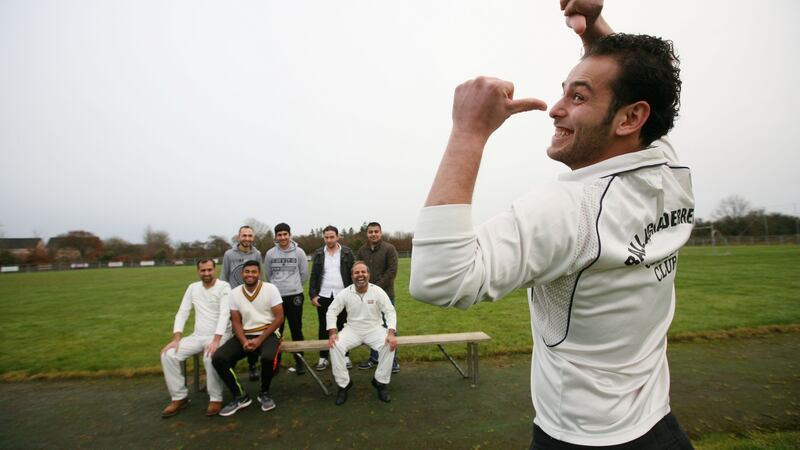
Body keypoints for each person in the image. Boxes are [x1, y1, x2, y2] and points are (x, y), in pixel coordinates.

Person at [409, 1, 694, 448]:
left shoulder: (570, 209)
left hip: (579, 438)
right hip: (659, 426)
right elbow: (638, 93)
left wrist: (468, 129)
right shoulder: (671, 173)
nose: (555, 108)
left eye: (577, 96)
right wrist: (594, 28)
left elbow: (439, 280)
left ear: (630, 118)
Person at [211, 260, 284, 417]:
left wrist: (259, 340)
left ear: (259, 273)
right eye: (247, 272)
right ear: (242, 273)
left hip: (269, 332)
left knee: (268, 357)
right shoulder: (235, 292)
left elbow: (279, 318)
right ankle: (240, 396)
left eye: (253, 272)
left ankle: (264, 392)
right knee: (218, 357)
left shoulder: (270, 289)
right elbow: (236, 321)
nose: (250, 274)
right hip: (245, 334)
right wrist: (244, 341)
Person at [160, 259, 231, 417]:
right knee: (168, 354)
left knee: (209, 357)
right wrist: (176, 338)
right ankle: (179, 397)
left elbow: (225, 314)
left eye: (209, 270)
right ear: (198, 271)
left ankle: (215, 398)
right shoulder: (193, 288)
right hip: (197, 336)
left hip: (220, 336)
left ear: (215, 270)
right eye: (203, 270)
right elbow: (183, 312)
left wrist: (216, 341)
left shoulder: (224, 287)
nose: (206, 273)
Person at [327, 261, 397, 405]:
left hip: (375, 328)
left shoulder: (377, 291)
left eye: (363, 272)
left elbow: (390, 311)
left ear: (368, 274)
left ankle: (380, 382)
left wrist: (390, 333)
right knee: (335, 346)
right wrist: (333, 332)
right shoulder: (346, 293)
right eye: (356, 273)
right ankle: (344, 385)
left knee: (389, 345)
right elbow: (332, 311)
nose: (360, 275)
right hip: (352, 329)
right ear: (352, 276)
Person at [263, 222, 309, 375]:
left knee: (296, 329)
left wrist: (293, 287)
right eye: (279, 235)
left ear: (290, 235)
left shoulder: (299, 252)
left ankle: (300, 361)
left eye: (285, 234)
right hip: (276, 298)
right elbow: (268, 275)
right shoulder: (270, 254)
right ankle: (276, 363)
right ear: (276, 237)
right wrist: (278, 289)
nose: (282, 237)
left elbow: (304, 274)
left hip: (295, 296)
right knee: (276, 331)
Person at [220, 225, 263, 381]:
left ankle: (252, 365)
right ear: (238, 237)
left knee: (251, 331)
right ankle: (230, 365)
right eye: (244, 235)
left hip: (252, 299)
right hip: (234, 300)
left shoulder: (257, 254)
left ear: (253, 238)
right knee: (234, 333)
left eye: (250, 236)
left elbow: (259, 276)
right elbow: (224, 277)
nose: (247, 238)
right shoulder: (229, 254)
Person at [356, 222, 400, 373]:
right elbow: (359, 271)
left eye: (376, 231)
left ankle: (393, 360)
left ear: (380, 233)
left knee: (389, 327)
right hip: (367, 298)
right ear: (367, 234)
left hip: (386, 295)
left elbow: (392, 271)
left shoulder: (389, 248)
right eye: (370, 232)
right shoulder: (362, 250)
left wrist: (376, 288)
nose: (373, 234)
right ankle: (374, 358)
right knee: (372, 327)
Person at [308, 225, 355, 371]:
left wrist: (353, 294)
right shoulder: (319, 253)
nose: (329, 240)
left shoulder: (347, 252)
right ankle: (323, 357)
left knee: (344, 326)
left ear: (337, 236)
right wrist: (313, 295)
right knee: (324, 326)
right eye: (326, 237)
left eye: (332, 237)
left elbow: (353, 273)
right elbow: (314, 275)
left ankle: (345, 355)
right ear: (323, 238)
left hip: (344, 295)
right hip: (324, 295)